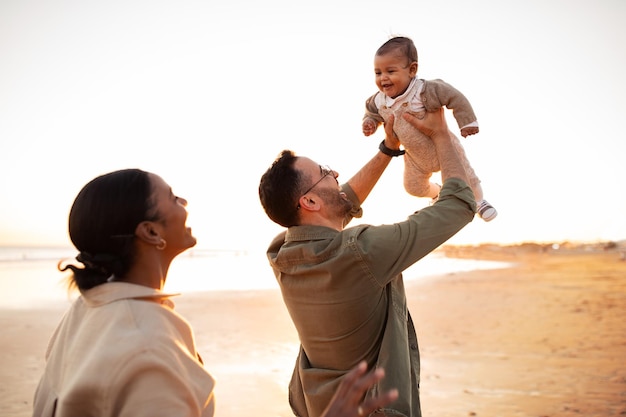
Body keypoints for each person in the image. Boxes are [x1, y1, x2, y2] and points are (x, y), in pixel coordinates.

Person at [31, 169, 398, 417]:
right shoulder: (146, 346)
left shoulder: (87, 310)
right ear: (151, 233)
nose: (184, 204)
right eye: (173, 198)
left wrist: (386, 149)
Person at [258, 108, 476, 417]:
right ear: (309, 202)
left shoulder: (283, 255)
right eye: (325, 171)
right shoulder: (361, 253)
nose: (335, 174)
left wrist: (388, 149)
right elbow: (458, 205)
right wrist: (441, 133)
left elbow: (337, 207)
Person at [362, 36, 497, 222]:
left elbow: (454, 97)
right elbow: (371, 112)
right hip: (415, 156)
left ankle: (479, 202)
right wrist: (369, 122)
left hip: (443, 148)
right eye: (378, 73)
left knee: (465, 175)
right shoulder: (379, 100)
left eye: (390, 71)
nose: (383, 78)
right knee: (412, 187)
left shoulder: (423, 90)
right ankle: (437, 192)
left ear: (412, 70)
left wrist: (467, 122)